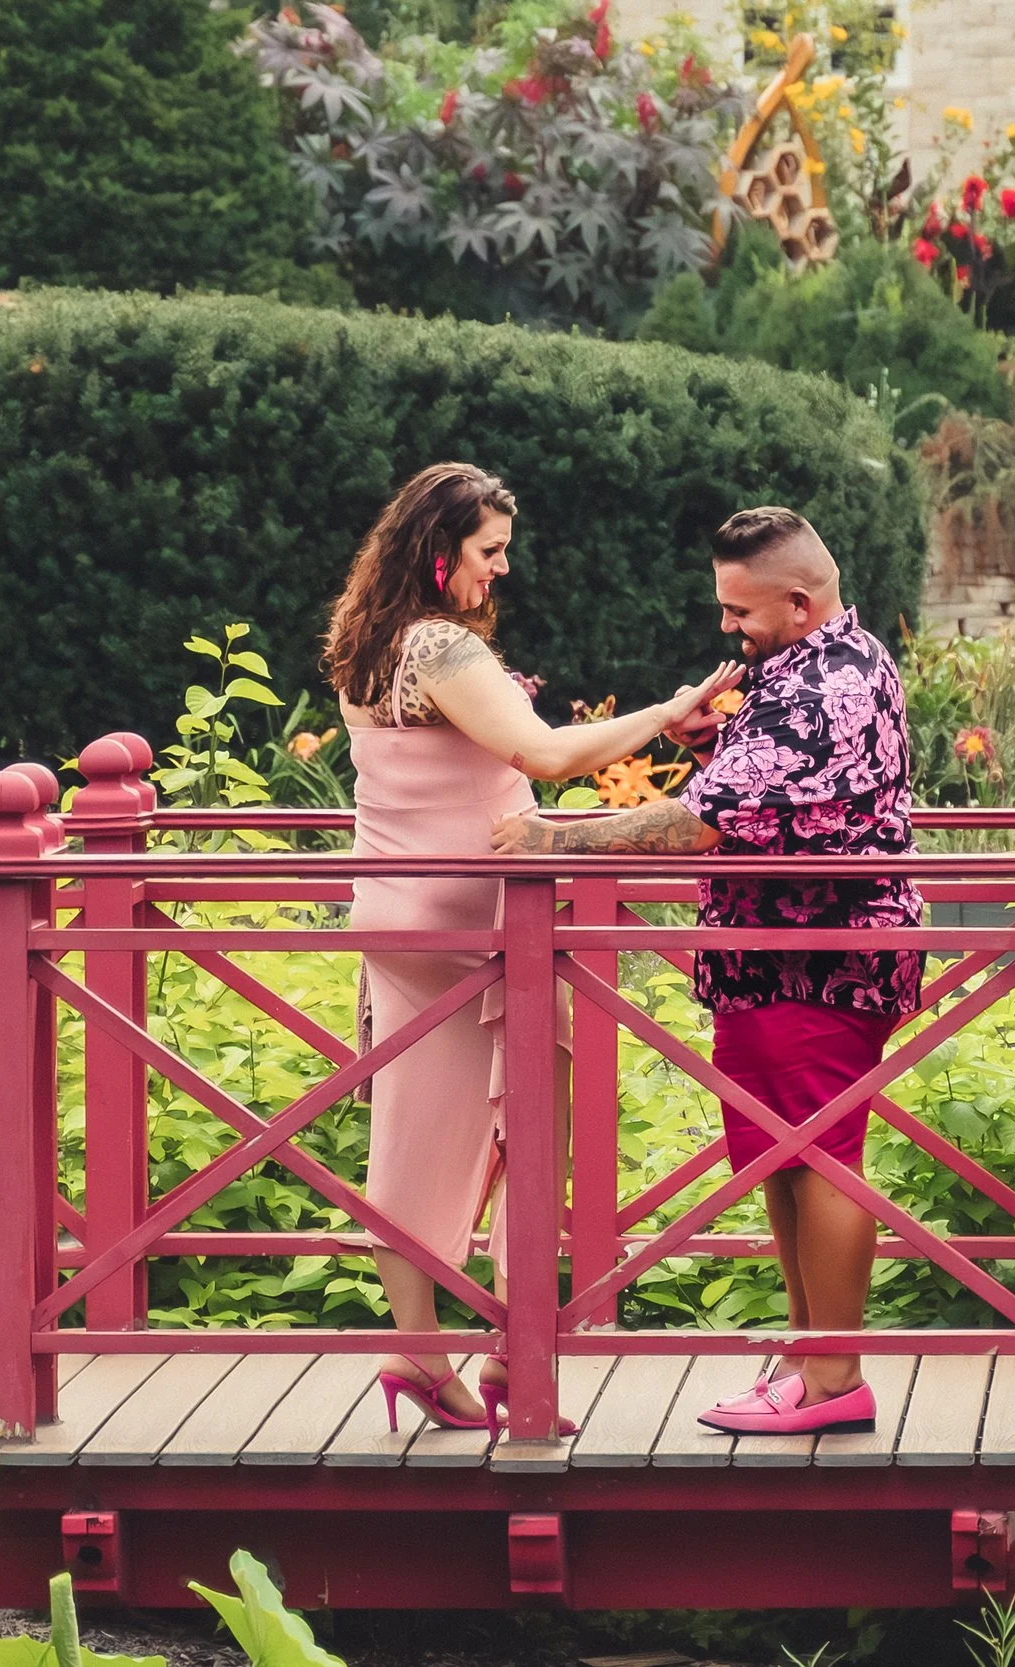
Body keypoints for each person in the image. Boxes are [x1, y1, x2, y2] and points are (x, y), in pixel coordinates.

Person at [328, 462, 741, 1434]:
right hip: (483, 928)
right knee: (532, 1129)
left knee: (412, 1134)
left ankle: (420, 1353)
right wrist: (663, 710)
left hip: (395, 912)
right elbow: (545, 755)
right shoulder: (435, 645)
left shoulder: (369, 643)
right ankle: (521, 1361)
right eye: (488, 552)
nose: (500, 571)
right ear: (438, 555)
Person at [492, 505, 920, 1437]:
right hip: (772, 957)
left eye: (740, 611)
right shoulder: (814, 664)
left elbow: (698, 824)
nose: (727, 628)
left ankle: (834, 1376)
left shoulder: (822, 688)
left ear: (800, 604)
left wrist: (551, 840)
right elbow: (773, 796)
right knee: (782, 1156)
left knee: (820, 1155)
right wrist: (712, 747)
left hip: (819, 959)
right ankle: (806, 1365)